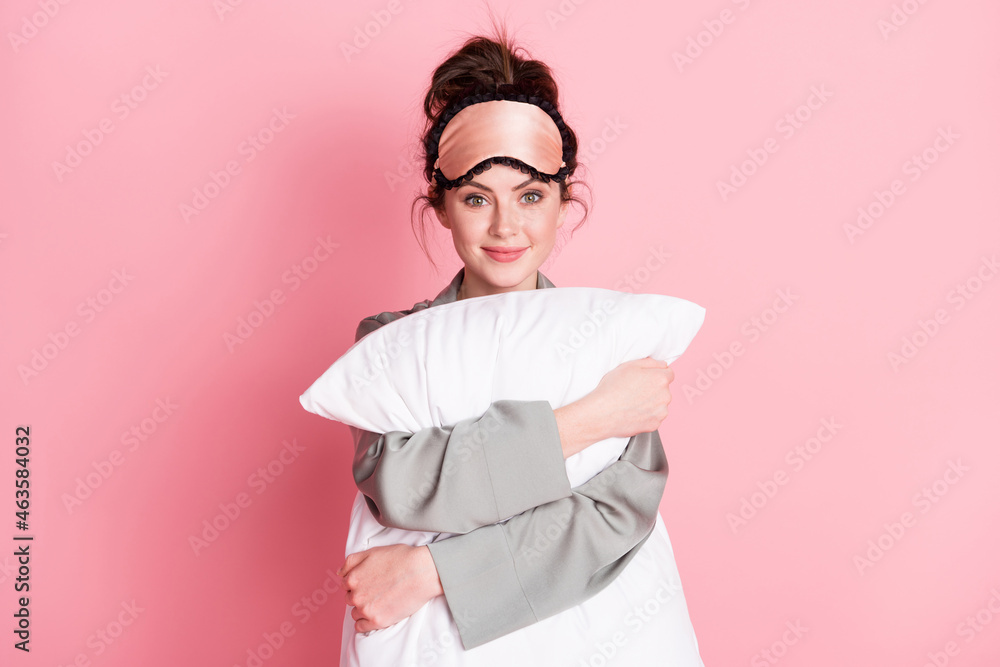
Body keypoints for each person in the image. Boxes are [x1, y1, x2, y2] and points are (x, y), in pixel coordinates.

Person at [335, 24, 704, 667]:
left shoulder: (612, 340)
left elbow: (613, 517)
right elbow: (406, 486)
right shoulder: (392, 341)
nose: (506, 226)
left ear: (565, 202)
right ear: (441, 206)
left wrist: (432, 572)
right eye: (477, 198)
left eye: (531, 196)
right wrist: (589, 421)